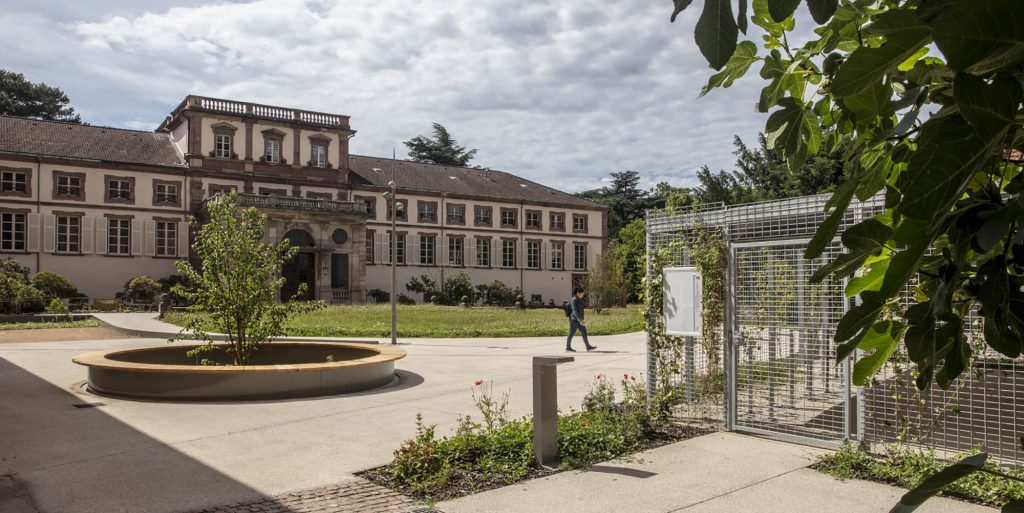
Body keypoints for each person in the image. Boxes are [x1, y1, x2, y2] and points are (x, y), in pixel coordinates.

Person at [566, 287, 596, 352]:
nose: (583, 295)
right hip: (574, 320)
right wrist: (580, 320)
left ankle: (588, 347)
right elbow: (575, 310)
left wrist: (581, 319)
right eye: (582, 294)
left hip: (579, 320)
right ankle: (568, 347)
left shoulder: (579, 300)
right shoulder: (574, 300)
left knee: (584, 331)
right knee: (571, 333)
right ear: (578, 293)